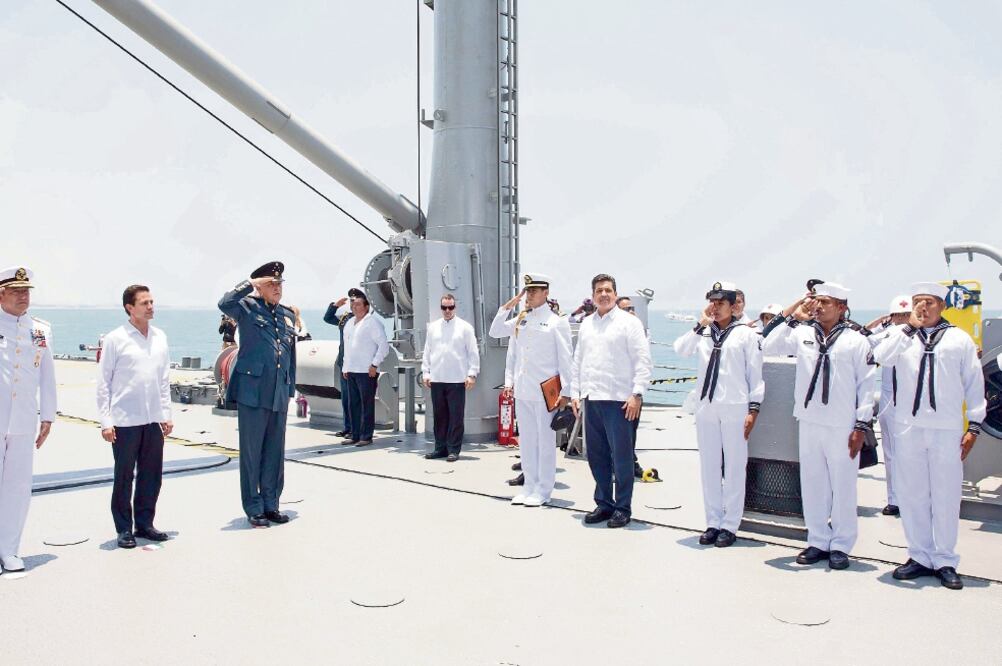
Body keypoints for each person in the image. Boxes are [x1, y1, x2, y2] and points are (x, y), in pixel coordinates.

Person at [873, 283, 986, 590]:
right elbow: (880, 356)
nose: (923, 307)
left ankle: (946, 559)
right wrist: (908, 328)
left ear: (942, 306)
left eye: (929, 302)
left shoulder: (958, 340)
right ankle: (919, 555)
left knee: (946, 495)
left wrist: (974, 425)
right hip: (909, 425)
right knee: (912, 494)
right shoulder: (902, 337)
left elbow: (974, 383)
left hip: (946, 428)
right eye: (917, 302)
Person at [762, 282, 876, 570]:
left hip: (842, 423)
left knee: (843, 485)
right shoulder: (802, 334)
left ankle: (840, 544)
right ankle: (817, 540)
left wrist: (861, 424)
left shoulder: (855, 341)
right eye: (817, 301)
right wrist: (793, 315)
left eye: (827, 302)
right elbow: (767, 343)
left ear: (841, 307)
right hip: (810, 419)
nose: (820, 306)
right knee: (812, 483)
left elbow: (866, 385)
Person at [673, 281, 764, 547]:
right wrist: (699, 324)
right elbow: (681, 349)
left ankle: (730, 524)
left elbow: (755, 376)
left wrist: (754, 408)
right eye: (712, 302)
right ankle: (713, 521)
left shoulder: (746, 335)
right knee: (710, 467)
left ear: (733, 306)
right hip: (707, 407)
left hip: (735, 407)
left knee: (735, 467)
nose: (715, 308)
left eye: (720, 303)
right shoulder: (703, 333)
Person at [571, 273, 652, 528]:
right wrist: (575, 393)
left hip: (620, 401)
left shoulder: (629, 323)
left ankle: (622, 507)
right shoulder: (586, 324)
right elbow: (578, 361)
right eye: (598, 290)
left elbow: (642, 361)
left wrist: (637, 393)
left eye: (608, 290)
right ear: (593, 295)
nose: (603, 294)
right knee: (597, 456)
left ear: (615, 294)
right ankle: (604, 503)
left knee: (622, 457)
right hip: (592, 399)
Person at [218, 261, 296, 528]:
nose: (277, 288)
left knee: (275, 451)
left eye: (279, 284)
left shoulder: (287, 315)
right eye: (271, 284)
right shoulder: (247, 308)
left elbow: (289, 355)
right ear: (261, 287)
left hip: (278, 392)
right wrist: (250, 284)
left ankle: (271, 504)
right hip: (253, 392)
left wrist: (289, 387)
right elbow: (224, 302)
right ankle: (253, 506)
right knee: (252, 452)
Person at [96, 285, 173, 549]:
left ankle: (145, 524)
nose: (151, 307)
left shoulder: (160, 337)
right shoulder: (115, 339)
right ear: (130, 307)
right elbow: (103, 382)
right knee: (124, 476)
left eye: (152, 301)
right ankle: (123, 529)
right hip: (124, 420)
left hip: (153, 419)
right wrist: (106, 421)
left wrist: (167, 414)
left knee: (152, 475)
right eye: (144, 303)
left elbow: (163, 380)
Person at [498, 273, 572, 508]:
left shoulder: (556, 321)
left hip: (545, 390)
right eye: (527, 291)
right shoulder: (522, 319)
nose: (529, 295)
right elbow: (497, 332)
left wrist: (567, 392)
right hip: (523, 389)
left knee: (545, 441)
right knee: (527, 441)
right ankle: (529, 486)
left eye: (533, 291)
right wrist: (510, 303)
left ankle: (543, 489)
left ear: (545, 293)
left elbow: (566, 359)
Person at [0, 267, 55, 574]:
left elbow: (46, 374)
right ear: (1, 294)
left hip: (22, 421)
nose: (24, 296)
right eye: (17, 291)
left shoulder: (39, 330)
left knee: (18, 488)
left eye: (27, 291)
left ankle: (9, 550)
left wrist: (47, 415)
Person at [866, 294, 913, 516]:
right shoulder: (888, 334)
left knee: (915, 453)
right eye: (899, 315)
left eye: (906, 315)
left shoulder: (923, 335)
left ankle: (915, 497)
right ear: (892, 317)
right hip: (889, 401)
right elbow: (863, 345)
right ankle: (895, 498)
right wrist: (876, 327)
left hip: (914, 401)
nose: (902, 319)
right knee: (892, 451)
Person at [421, 294, 480, 462]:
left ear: (455, 307)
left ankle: (454, 449)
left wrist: (472, 374)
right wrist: (426, 372)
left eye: (450, 307)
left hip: (457, 379)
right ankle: (440, 448)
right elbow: (427, 351)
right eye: (444, 307)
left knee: (455, 417)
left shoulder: (465, 328)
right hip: (437, 378)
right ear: (441, 308)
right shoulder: (433, 328)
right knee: (439, 416)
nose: (447, 311)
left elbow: (473, 352)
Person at [342, 290, 389, 446]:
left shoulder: (372, 323)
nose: (354, 307)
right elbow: (347, 348)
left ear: (366, 307)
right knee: (353, 404)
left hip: (367, 371)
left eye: (358, 304)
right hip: (352, 370)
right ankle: (355, 434)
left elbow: (384, 346)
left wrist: (374, 364)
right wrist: (345, 367)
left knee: (366, 405)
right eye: (352, 304)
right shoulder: (349, 323)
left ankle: (366, 436)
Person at [323, 290, 359, 439]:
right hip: (343, 363)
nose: (352, 304)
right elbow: (327, 318)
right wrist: (335, 306)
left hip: (357, 365)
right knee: (346, 398)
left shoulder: (363, 320)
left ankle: (356, 429)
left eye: (355, 301)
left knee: (355, 399)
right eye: (351, 302)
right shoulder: (345, 318)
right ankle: (348, 427)